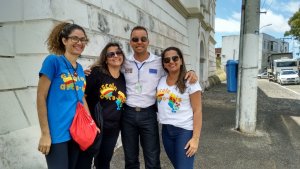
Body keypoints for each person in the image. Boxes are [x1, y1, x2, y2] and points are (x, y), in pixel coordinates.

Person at [120, 26, 198, 169]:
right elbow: (107, 66)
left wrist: (191, 72)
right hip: (128, 114)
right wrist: (91, 69)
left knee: (152, 157)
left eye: (143, 39)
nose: (139, 42)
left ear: (148, 41)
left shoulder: (159, 62)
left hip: (149, 114)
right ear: (130, 42)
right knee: (130, 158)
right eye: (135, 39)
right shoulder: (124, 61)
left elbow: (176, 68)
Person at [37, 22, 90, 169]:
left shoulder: (79, 69)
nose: (79, 42)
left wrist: (91, 123)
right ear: (64, 40)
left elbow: (81, 98)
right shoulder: (53, 61)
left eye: (83, 39)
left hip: (77, 132)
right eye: (75, 38)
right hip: (57, 134)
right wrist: (45, 134)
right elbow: (41, 97)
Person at [77, 42, 126, 169]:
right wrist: (89, 122)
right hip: (95, 127)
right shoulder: (96, 73)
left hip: (113, 129)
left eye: (118, 52)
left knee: (104, 162)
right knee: (85, 161)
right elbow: (81, 96)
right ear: (105, 58)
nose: (115, 56)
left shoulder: (123, 78)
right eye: (111, 54)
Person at [156, 47, 202, 169]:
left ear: (181, 60)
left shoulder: (190, 81)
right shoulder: (160, 80)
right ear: (164, 65)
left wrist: (195, 139)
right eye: (167, 60)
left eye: (175, 58)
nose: (171, 61)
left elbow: (197, 111)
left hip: (184, 132)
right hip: (166, 131)